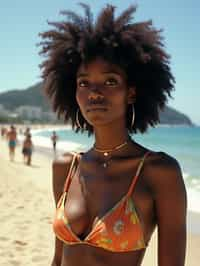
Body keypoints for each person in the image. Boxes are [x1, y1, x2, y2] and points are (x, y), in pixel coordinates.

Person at [39, 3, 187, 266]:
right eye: (84, 83)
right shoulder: (66, 167)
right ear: (72, 92)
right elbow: (58, 257)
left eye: (110, 81)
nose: (95, 93)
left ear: (131, 92)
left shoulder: (159, 172)